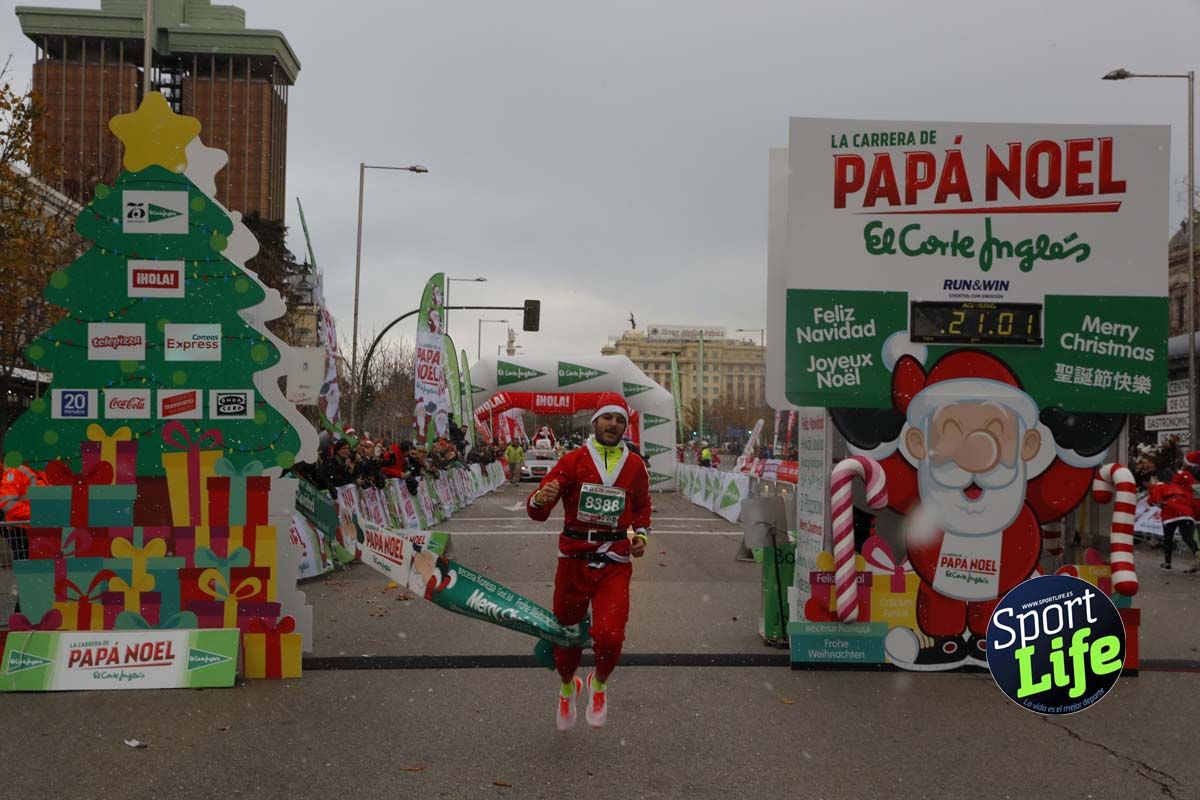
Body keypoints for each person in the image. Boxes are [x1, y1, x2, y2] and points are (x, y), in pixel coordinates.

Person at [526, 391, 650, 730]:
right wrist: (540, 497)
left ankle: (599, 684)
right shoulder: (573, 461)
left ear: (626, 426)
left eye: (620, 419)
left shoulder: (635, 465)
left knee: (609, 635)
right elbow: (538, 511)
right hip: (574, 561)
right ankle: (568, 687)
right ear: (595, 421)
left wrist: (641, 536)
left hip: (614, 560)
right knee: (566, 638)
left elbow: (641, 508)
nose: (613, 424)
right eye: (608, 418)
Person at [1149, 465, 1200, 572]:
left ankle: (1168, 563)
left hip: (1170, 512)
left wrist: (1158, 502)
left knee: (1168, 539)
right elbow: (1190, 498)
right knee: (1188, 537)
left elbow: (1152, 500)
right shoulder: (1179, 487)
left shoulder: (1159, 486)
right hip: (1187, 511)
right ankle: (1197, 553)